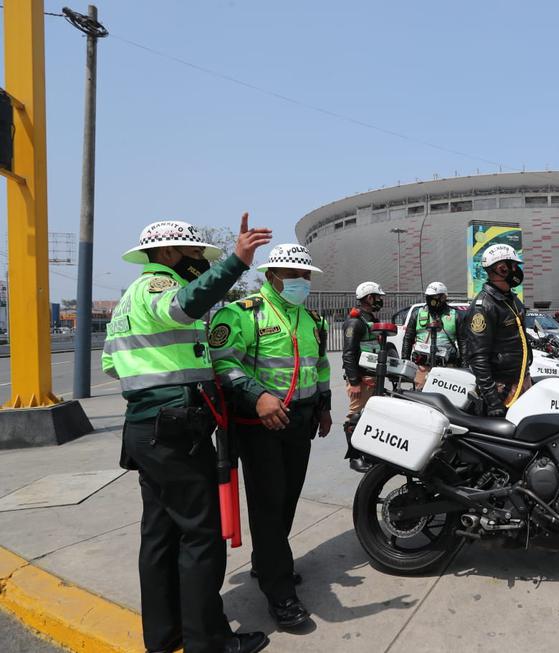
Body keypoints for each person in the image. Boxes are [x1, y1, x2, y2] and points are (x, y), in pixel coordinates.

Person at [102, 217, 271, 653]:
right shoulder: (157, 287)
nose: (199, 262)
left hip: (146, 428)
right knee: (202, 535)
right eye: (195, 254)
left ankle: (165, 635)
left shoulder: (125, 302)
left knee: (159, 534)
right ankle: (210, 643)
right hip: (175, 430)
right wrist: (236, 261)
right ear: (167, 254)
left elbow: (110, 365)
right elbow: (185, 306)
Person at [208, 244, 331, 630]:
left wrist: (324, 406)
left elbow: (320, 364)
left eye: (306, 275)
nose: (302, 282)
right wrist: (256, 396)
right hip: (260, 425)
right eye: (294, 275)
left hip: (301, 421)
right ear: (272, 276)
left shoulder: (313, 320)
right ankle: (280, 594)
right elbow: (221, 361)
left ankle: (266, 561)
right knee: (267, 504)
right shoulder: (244, 314)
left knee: (288, 497)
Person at [465, 244, 531, 416]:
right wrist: (493, 400)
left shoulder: (512, 300)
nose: (517, 270)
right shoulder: (484, 306)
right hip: (502, 389)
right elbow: (478, 358)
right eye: (514, 265)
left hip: (521, 381)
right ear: (502, 269)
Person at [341, 281, 385, 471]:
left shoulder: (370, 319)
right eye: (378, 297)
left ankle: (369, 454)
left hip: (373, 378)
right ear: (369, 298)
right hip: (361, 380)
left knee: (371, 417)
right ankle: (355, 457)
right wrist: (354, 381)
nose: (380, 300)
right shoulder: (355, 321)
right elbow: (348, 354)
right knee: (355, 417)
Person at [401, 281, 463, 387]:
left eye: (434, 296)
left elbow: (464, 342)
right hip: (422, 366)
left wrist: (464, 365)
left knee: (445, 398)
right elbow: (408, 338)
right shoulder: (417, 314)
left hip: (448, 366)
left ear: (444, 297)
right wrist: (405, 362)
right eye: (428, 296)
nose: (431, 300)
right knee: (420, 398)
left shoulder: (455, 315)